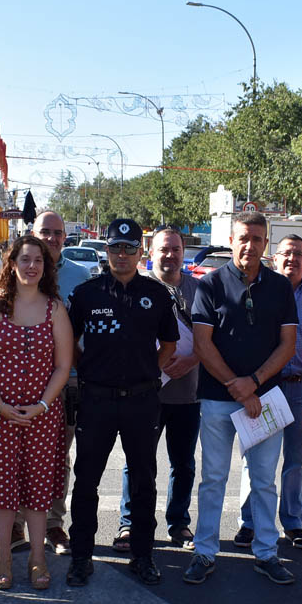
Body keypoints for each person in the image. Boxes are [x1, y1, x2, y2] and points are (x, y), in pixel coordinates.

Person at [184, 212, 298, 586]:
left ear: (266, 243)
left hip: (264, 400)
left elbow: (287, 345)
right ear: (232, 240)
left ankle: (266, 553)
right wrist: (236, 384)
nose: (251, 245)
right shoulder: (211, 285)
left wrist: (254, 382)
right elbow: (203, 344)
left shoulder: (280, 288)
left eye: (258, 238)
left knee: (264, 481)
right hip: (218, 400)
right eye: (244, 238)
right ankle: (204, 552)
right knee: (213, 479)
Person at [65, 218, 179, 587]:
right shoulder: (87, 294)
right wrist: (93, 371)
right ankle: (82, 556)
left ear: (140, 251)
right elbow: (70, 343)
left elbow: (170, 346)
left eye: (130, 248)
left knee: (145, 481)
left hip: (142, 400)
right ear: (107, 249)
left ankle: (142, 556)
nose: (122, 255)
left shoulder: (157, 294)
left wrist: (148, 373)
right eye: (116, 247)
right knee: (86, 481)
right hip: (96, 399)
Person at [0, 236, 73, 590]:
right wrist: (0, 406)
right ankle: (3, 555)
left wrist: (42, 405)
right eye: (24, 259)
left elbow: (63, 365)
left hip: (43, 414)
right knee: (4, 487)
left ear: (46, 266)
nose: (31, 266)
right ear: (12, 264)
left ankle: (38, 558)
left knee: (38, 488)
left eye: (38, 260)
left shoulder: (55, 309)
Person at [1, 210, 91, 556]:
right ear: (32, 233)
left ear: (65, 237)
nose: (52, 238)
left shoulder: (81, 277)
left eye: (57, 233)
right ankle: (17, 525)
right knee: (18, 456)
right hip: (20, 384)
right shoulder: (15, 273)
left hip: (66, 383)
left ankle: (53, 523)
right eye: (45, 232)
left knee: (56, 457)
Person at [116, 226, 200, 550]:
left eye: (175, 249)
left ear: (183, 253)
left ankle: (178, 524)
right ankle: (130, 524)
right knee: (137, 461)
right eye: (164, 249)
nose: (170, 255)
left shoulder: (199, 290)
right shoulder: (136, 289)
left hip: (188, 394)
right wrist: (154, 362)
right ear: (151, 252)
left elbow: (210, 338)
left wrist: (191, 360)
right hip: (145, 392)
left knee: (183, 463)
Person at [235, 234, 302, 551]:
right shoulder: (258, 290)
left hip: (298, 388)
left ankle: (292, 523)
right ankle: (249, 522)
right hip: (265, 387)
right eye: (285, 253)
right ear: (274, 257)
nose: (291, 259)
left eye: (298, 254)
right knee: (255, 459)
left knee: (296, 461)